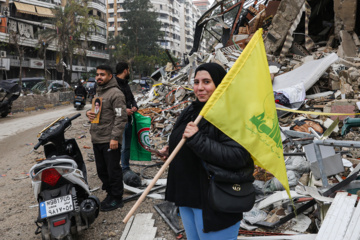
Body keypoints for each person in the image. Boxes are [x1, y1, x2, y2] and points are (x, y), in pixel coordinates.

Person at [158, 63, 254, 239]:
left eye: (206, 82)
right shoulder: (192, 110)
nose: (199, 88)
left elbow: (238, 156)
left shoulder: (230, 114)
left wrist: (197, 139)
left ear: (220, 84)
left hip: (213, 200)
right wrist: (172, 150)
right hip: (187, 195)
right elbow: (185, 139)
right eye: (196, 82)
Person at [86, 65, 127, 212]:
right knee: (102, 171)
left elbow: (121, 117)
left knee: (113, 170)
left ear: (110, 76)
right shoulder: (99, 92)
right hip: (97, 138)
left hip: (110, 140)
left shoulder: (116, 94)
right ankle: (110, 194)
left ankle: (117, 198)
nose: (98, 77)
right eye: (97, 74)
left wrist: (115, 138)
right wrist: (88, 114)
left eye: (102, 75)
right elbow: (98, 113)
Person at [115, 62, 141, 187]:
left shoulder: (126, 85)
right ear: (125, 70)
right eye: (129, 70)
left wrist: (135, 106)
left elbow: (131, 99)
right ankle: (116, 169)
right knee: (119, 146)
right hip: (119, 122)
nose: (129, 72)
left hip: (129, 120)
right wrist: (124, 110)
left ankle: (125, 167)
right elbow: (111, 105)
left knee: (126, 147)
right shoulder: (114, 85)